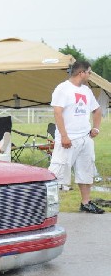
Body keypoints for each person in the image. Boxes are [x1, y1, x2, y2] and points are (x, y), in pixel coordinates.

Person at [48, 60, 103, 214]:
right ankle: (48, 206)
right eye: (89, 72)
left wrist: (96, 128)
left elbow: (97, 110)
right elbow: (57, 112)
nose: (90, 75)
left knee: (86, 170)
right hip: (68, 140)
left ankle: (86, 203)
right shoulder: (62, 89)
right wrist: (64, 136)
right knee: (57, 172)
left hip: (85, 138)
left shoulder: (86, 90)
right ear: (81, 73)